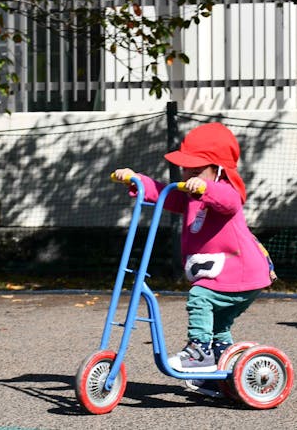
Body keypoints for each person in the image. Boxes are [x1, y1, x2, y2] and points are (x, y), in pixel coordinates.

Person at [111, 122, 274, 396]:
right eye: (187, 169)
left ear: (219, 171)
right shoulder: (189, 197)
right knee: (219, 326)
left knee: (200, 297)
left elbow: (229, 201)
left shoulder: (223, 191)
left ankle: (199, 351)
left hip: (241, 273)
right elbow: (162, 193)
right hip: (225, 275)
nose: (188, 176)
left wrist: (205, 187)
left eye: (197, 171)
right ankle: (218, 375)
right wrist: (135, 179)